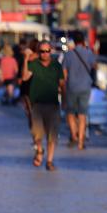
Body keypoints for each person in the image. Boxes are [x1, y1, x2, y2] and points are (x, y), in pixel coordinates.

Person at [22, 40, 64, 171]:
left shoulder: (56, 66)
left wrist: (66, 100)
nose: (45, 54)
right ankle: (40, 151)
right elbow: (24, 77)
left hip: (53, 105)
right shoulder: (33, 64)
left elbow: (62, 84)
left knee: (52, 136)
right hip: (37, 105)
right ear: (38, 52)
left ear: (50, 51)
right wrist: (26, 59)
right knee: (37, 135)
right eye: (42, 52)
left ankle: (49, 161)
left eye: (47, 51)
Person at [62, 31, 97, 150]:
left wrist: (62, 86)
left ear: (73, 41)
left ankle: (74, 136)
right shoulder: (89, 53)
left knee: (70, 113)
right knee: (82, 115)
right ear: (83, 41)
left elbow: (64, 74)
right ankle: (81, 142)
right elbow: (95, 66)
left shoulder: (68, 54)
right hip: (85, 87)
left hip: (71, 87)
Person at [20, 38, 39, 147]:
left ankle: (35, 139)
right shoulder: (41, 59)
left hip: (27, 88)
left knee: (31, 115)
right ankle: (37, 138)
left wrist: (26, 59)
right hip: (37, 88)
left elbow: (24, 76)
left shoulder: (29, 58)